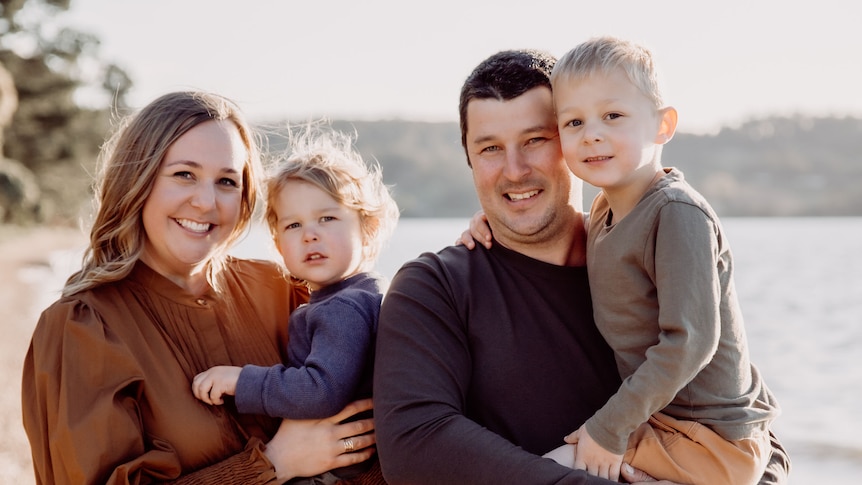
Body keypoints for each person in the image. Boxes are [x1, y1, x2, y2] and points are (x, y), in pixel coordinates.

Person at [374, 49, 790, 484]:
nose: (514, 171)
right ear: (469, 159)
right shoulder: (436, 287)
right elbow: (415, 448)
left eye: (535, 139)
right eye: (490, 148)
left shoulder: (648, 246)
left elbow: (751, 426)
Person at [21, 92, 379, 484]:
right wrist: (273, 464)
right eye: (184, 174)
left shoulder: (283, 290)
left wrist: (458, 259)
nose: (206, 202)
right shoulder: (82, 330)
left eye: (226, 181)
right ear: (138, 180)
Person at [538, 37, 780, 484]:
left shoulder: (675, 213)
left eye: (613, 116)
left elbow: (691, 341)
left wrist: (607, 429)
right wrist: (487, 226)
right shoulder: (604, 212)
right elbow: (552, 237)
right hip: (661, 421)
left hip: (712, 440)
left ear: (662, 124)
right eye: (573, 121)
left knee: (547, 473)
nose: (592, 132)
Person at [192, 123, 399, 483]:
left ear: (367, 229)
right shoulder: (370, 292)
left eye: (327, 218)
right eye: (293, 226)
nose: (310, 234)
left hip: (336, 472)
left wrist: (242, 381)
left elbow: (321, 391)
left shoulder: (344, 308)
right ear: (278, 243)